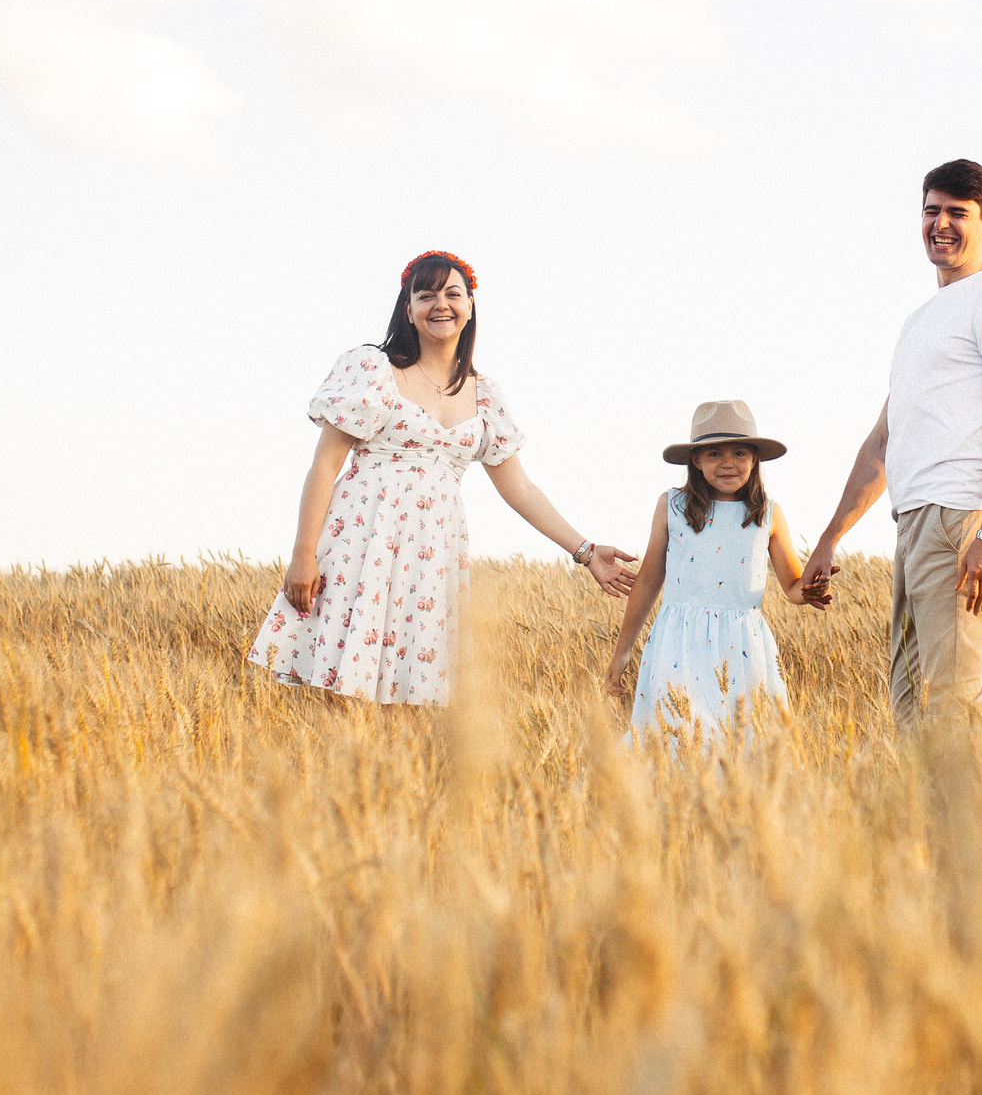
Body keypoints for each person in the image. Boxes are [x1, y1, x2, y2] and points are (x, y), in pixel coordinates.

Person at [248, 250, 636, 706]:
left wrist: (585, 551)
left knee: (411, 700)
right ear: (408, 310)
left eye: (453, 293)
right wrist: (302, 555)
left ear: (470, 305)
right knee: (340, 696)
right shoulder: (372, 369)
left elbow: (520, 488)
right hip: (362, 540)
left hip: (432, 556)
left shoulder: (485, 394)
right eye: (426, 295)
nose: (441, 304)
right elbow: (324, 466)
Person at [801, 160, 982, 726]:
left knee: (954, 708)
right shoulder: (920, 321)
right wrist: (829, 538)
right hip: (911, 523)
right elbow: (884, 443)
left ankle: (974, 819)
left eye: (958, 213)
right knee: (910, 709)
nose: (941, 223)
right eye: (931, 210)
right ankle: (921, 820)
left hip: (960, 519)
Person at [603, 400, 827, 736]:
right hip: (678, 643)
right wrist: (622, 654)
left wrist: (809, 590)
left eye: (739, 453)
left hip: (744, 647)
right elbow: (649, 580)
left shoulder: (768, 513)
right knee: (676, 737)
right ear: (696, 460)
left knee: (745, 741)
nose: (728, 463)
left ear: (755, 459)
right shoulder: (672, 506)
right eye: (714, 454)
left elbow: (792, 586)